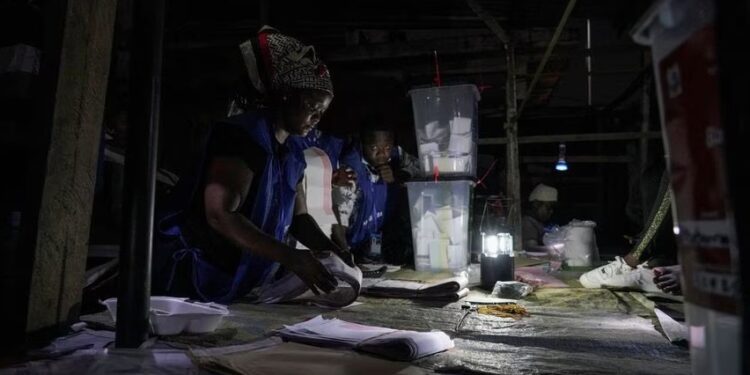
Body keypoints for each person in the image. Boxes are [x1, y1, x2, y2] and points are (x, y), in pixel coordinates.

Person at [152, 26, 352, 304]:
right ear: (285, 96)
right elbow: (220, 213)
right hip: (199, 279)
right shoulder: (243, 138)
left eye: (322, 111)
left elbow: (300, 217)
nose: (317, 117)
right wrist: (290, 257)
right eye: (310, 106)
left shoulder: (293, 152)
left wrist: (332, 251)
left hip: (241, 283)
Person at [332, 121, 419, 263]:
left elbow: (423, 170)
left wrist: (398, 176)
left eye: (387, 148)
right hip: (351, 244)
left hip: (376, 237)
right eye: (374, 148)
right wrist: (345, 254)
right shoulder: (349, 172)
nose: (381, 154)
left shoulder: (395, 157)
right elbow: (338, 220)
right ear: (362, 144)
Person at [521, 183, 558, 253]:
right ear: (536, 205)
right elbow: (530, 248)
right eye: (548, 207)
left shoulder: (538, 222)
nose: (551, 211)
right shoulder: (528, 222)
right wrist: (554, 249)